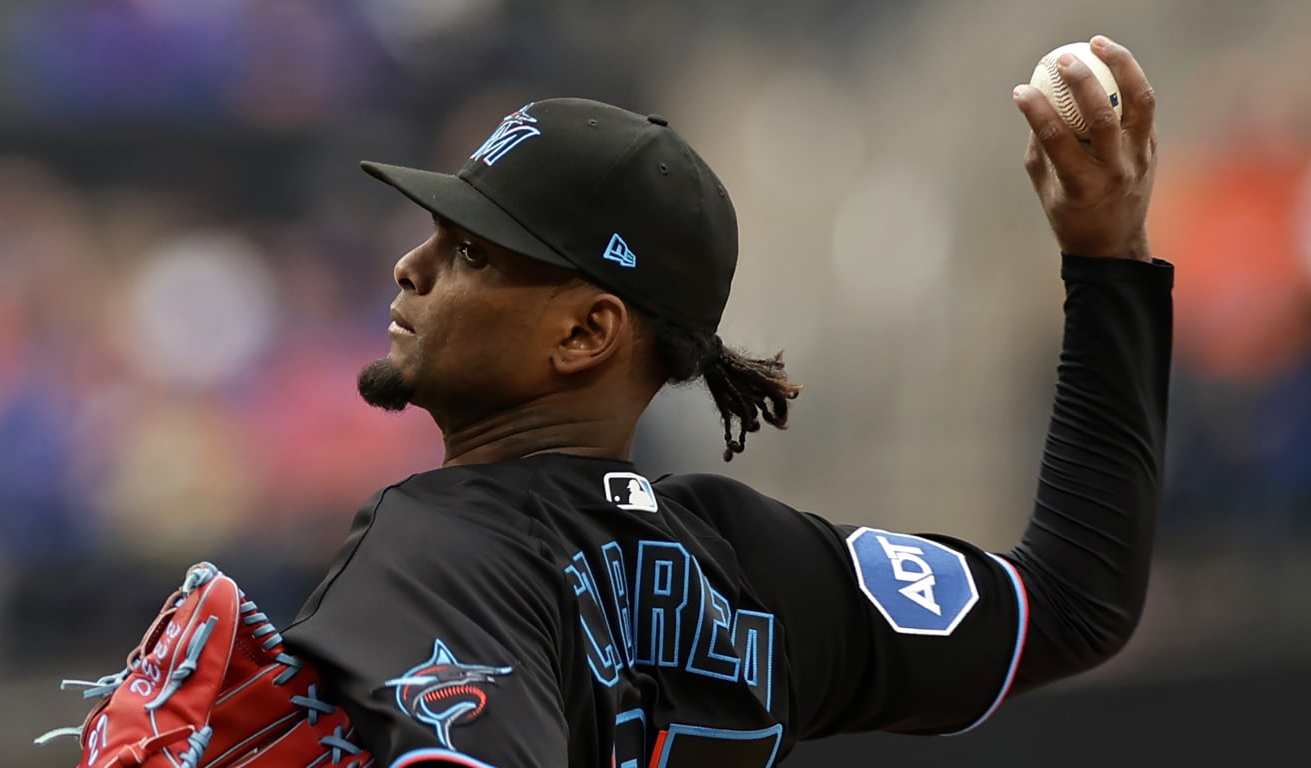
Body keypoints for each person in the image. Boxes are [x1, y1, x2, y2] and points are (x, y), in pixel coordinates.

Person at [281, 35, 1167, 768]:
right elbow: (1070, 602)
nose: (413, 267)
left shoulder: (435, 549)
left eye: (472, 254)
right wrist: (1108, 262)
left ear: (587, 333)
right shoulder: (749, 562)